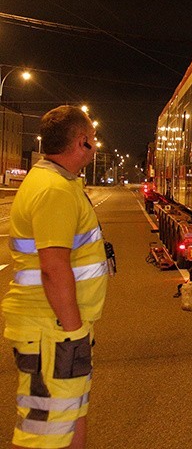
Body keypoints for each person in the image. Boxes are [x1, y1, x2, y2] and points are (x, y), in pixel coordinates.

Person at [2, 106, 110, 449]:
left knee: (70, 412)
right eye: (92, 140)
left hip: (57, 327)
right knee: (43, 431)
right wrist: (73, 328)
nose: (94, 146)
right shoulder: (54, 190)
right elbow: (53, 267)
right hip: (52, 329)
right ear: (82, 143)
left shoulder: (59, 182)